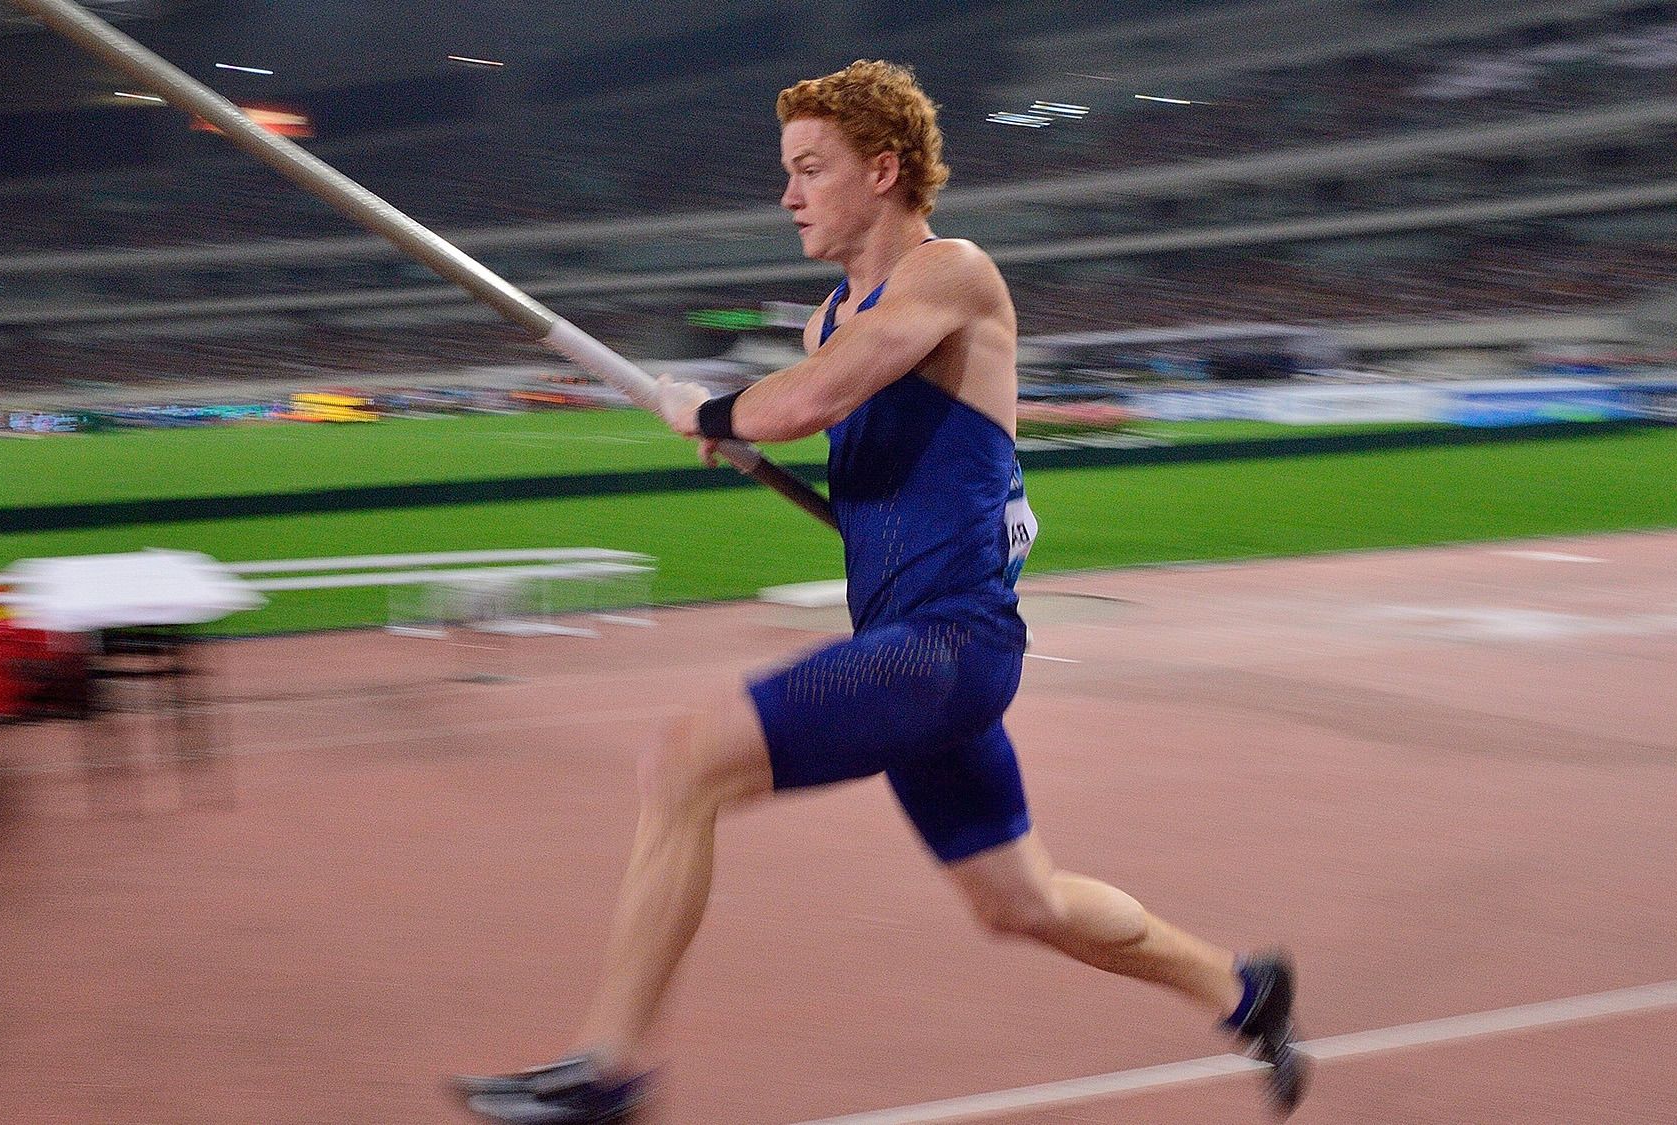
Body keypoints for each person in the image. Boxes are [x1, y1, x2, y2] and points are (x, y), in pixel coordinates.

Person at [457, 60, 1308, 1123]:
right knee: (1020, 902)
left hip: (947, 645)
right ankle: (1242, 992)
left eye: (810, 168)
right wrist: (756, 444)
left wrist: (717, 415)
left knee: (681, 764)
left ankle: (607, 1069)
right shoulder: (829, 318)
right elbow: (841, 416)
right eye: (788, 172)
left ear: (883, 169)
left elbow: (817, 395)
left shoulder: (952, 274)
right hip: (913, 645)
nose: (789, 194)